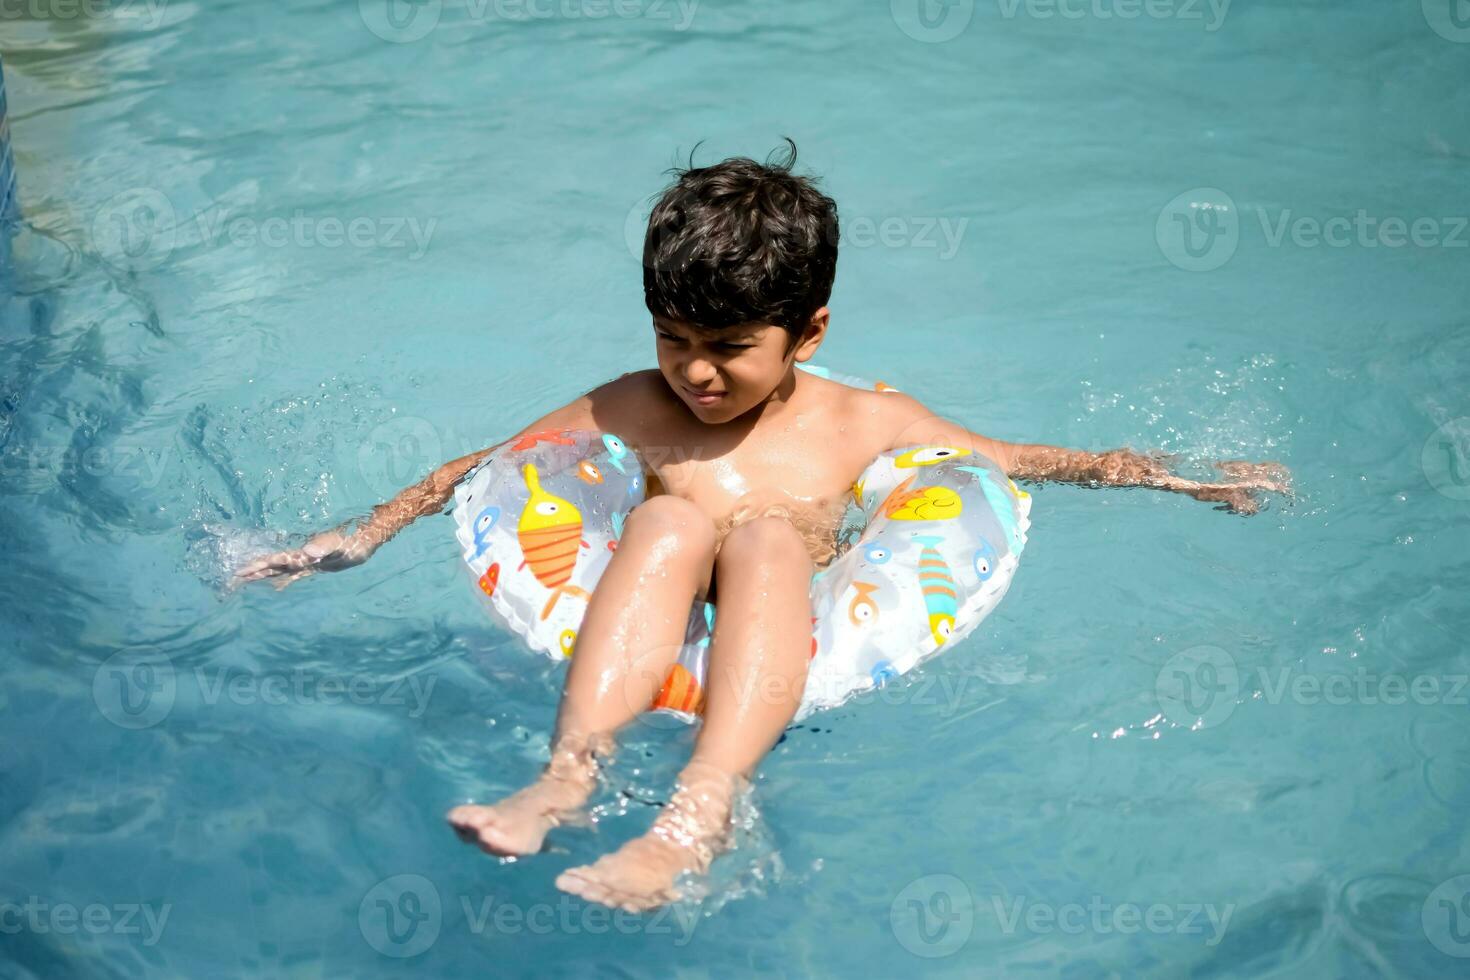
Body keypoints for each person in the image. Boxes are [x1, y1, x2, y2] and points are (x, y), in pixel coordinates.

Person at [235, 144, 1290, 911]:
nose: (694, 372)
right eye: (673, 336)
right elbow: (488, 468)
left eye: (730, 345)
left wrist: (1179, 480)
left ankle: (702, 809)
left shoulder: (864, 424)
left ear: (810, 330)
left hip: (779, 635)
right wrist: (356, 538)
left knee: (769, 541)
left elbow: (1009, 461)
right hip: (640, 611)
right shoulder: (631, 405)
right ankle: (569, 772)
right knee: (668, 528)